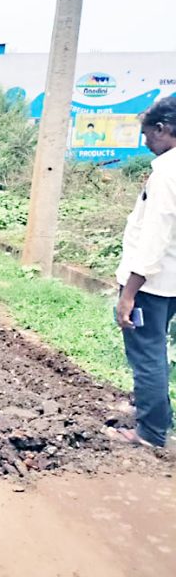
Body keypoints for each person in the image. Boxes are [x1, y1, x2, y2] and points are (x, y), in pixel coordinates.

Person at [111, 96, 176, 448]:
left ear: (163, 129)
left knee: (147, 351)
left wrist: (130, 292)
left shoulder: (167, 173)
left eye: (148, 133)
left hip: (153, 283)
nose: (145, 140)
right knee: (156, 348)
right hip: (171, 282)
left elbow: (154, 238)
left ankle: (150, 432)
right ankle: (155, 412)